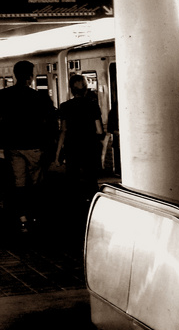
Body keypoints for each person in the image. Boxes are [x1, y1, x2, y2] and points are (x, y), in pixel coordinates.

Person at [0, 60, 57, 235]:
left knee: (19, 183)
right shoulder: (40, 97)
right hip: (34, 146)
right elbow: (52, 122)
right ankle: (35, 217)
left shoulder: (3, 96)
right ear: (31, 77)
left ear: (15, 75)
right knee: (36, 183)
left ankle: (22, 218)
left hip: (13, 147)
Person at [57, 74, 105, 209]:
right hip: (90, 147)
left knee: (72, 179)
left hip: (72, 148)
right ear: (85, 88)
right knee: (91, 178)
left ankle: (74, 207)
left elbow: (63, 130)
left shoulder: (65, 106)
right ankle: (93, 206)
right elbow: (99, 130)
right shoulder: (93, 105)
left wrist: (57, 153)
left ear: (71, 89)